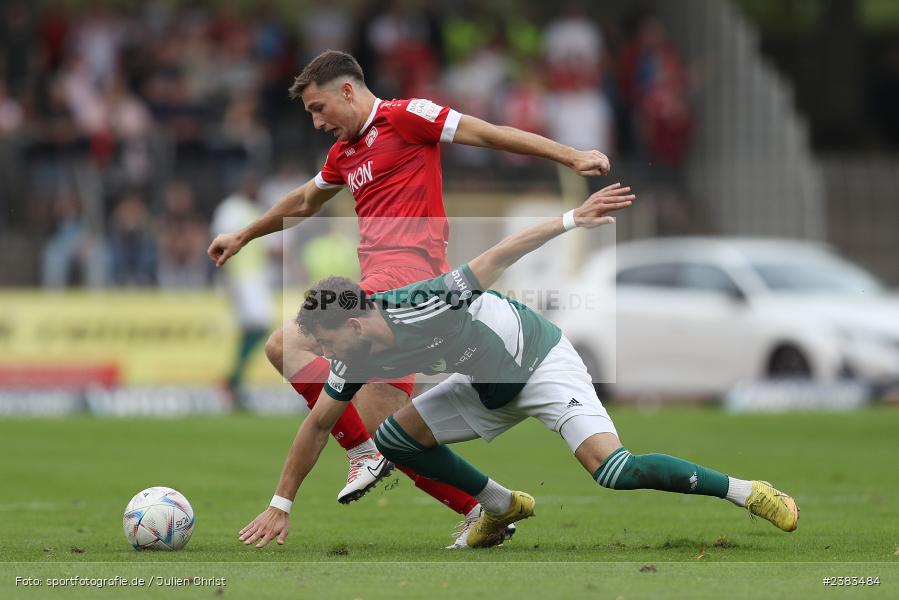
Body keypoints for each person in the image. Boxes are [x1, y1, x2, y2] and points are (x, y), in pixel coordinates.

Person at [237, 183, 800, 549]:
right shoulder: (354, 354)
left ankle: (747, 491)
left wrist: (571, 219)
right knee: (393, 441)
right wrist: (279, 505)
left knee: (613, 470)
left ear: (355, 324)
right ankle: (500, 506)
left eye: (328, 341)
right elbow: (316, 426)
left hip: (538, 364)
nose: (326, 354)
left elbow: (498, 255)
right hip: (483, 386)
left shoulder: (424, 300)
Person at [208, 50, 611, 543]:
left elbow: (485, 132)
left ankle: (363, 454)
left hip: (406, 288)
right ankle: (484, 508)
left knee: (283, 347)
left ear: (348, 91)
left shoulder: (406, 116)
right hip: (374, 295)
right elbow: (304, 200)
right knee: (393, 433)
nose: (316, 122)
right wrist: (246, 234)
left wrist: (570, 155)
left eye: (318, 108)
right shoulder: (344, 154)